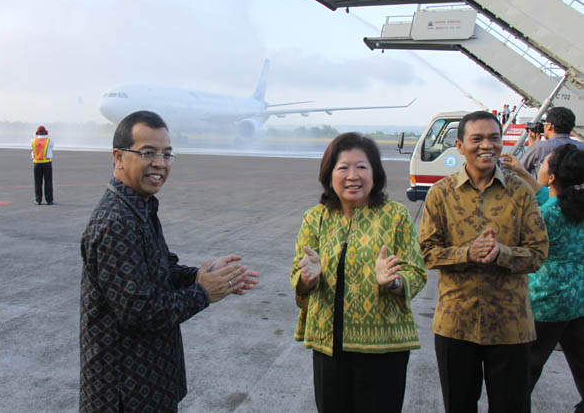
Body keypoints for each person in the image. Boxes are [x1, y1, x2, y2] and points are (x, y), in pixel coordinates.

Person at [79, 110, 259, 413]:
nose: (160, 164)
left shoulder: (139, 208)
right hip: (123, 394)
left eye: (167, 154)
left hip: (148, 386)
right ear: (118, 157)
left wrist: (200, 276)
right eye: (148, 153)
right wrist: (203, 293)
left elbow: (161, 270)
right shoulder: (116, 222)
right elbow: (140, 312)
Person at [419, 110, 549, 413]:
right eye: (476, 139)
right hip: (456, 325)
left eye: (494, 138)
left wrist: (501, 253)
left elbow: (538, 253)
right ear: (460, 146)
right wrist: (468, 253)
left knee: (512, 406)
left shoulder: (521, 193)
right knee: (459, 405)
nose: (486, 146)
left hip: (510, 326)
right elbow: (426, 252)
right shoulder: (441, 194)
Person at [290, 132, 427, 413]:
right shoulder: (314, 218)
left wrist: (393, 282)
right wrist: (308, 278)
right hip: (329, 346)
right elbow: (298, 273)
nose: (353, 175)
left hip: (384, 348)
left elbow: (416, 271)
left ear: (375, 174)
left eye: (361, 167)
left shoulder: (395, 216)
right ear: (330, 176)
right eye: (343, 168)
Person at [501, 145, 584, 413]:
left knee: (526, 370)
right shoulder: (570, 205)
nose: (542, 167)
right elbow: (544, 195)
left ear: (552, 177)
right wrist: (521, 171)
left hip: (546, 301)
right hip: (579, 298)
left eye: (545, 164)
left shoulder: (546, 214)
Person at [521, 106, 584, 176]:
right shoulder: (581, 147)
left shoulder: (540, 147)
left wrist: (532, 147)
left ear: (549, 126)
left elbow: (520, 171)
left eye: (545, 124)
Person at [31, 125, 54, 205]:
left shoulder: (33, 140)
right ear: (45, 132)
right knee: (48, 181)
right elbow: (52, 147)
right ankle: (49, 200)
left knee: (37, 182)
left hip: (36, 163)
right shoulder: (49, 140)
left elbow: (33, 152)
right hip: (47, 163)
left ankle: (38, 200)